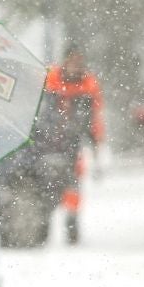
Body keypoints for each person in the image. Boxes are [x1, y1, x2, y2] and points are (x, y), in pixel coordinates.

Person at [35, 45, 104, 245]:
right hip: (47, 141)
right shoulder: (50, 80)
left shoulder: (89, 85)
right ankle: (42, 226)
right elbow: (39, 111)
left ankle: (72, 223)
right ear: (65, 61)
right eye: (72, 60)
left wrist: (96, 143)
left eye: (78, 61)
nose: (75, 66)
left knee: (73, 183)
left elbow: (95, 118)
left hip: (73, 142)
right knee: (44, 185)